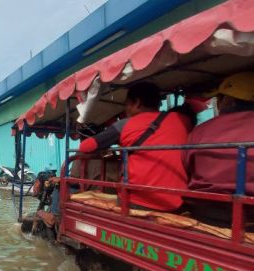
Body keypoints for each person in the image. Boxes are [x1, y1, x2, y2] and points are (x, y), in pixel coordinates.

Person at [78, 82, 192, 212]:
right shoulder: (183, 120)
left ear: (137, 103)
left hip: (137, 201)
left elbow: (85, 147)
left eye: (127, 105)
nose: (125, 110)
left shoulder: (125, 124)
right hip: (178, 203)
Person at [183, 72, 254, 226]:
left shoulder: (200, 131)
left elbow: (187, 166)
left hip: (207, 211)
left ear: (228, 101)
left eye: (219, 99)